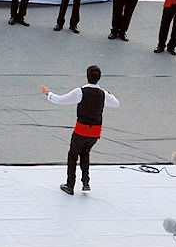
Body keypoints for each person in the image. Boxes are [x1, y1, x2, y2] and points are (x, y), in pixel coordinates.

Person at [41, 65, 121, 195]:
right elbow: (116, 104)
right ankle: (85, 182)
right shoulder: (103, 94)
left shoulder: (80, 92)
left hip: (81, 130)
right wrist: (107, 93)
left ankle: (70, 185)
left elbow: (60, 100)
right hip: (95, 131)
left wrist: (48, 93)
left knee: (73, 155)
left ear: (86, 77)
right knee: (85, 153)